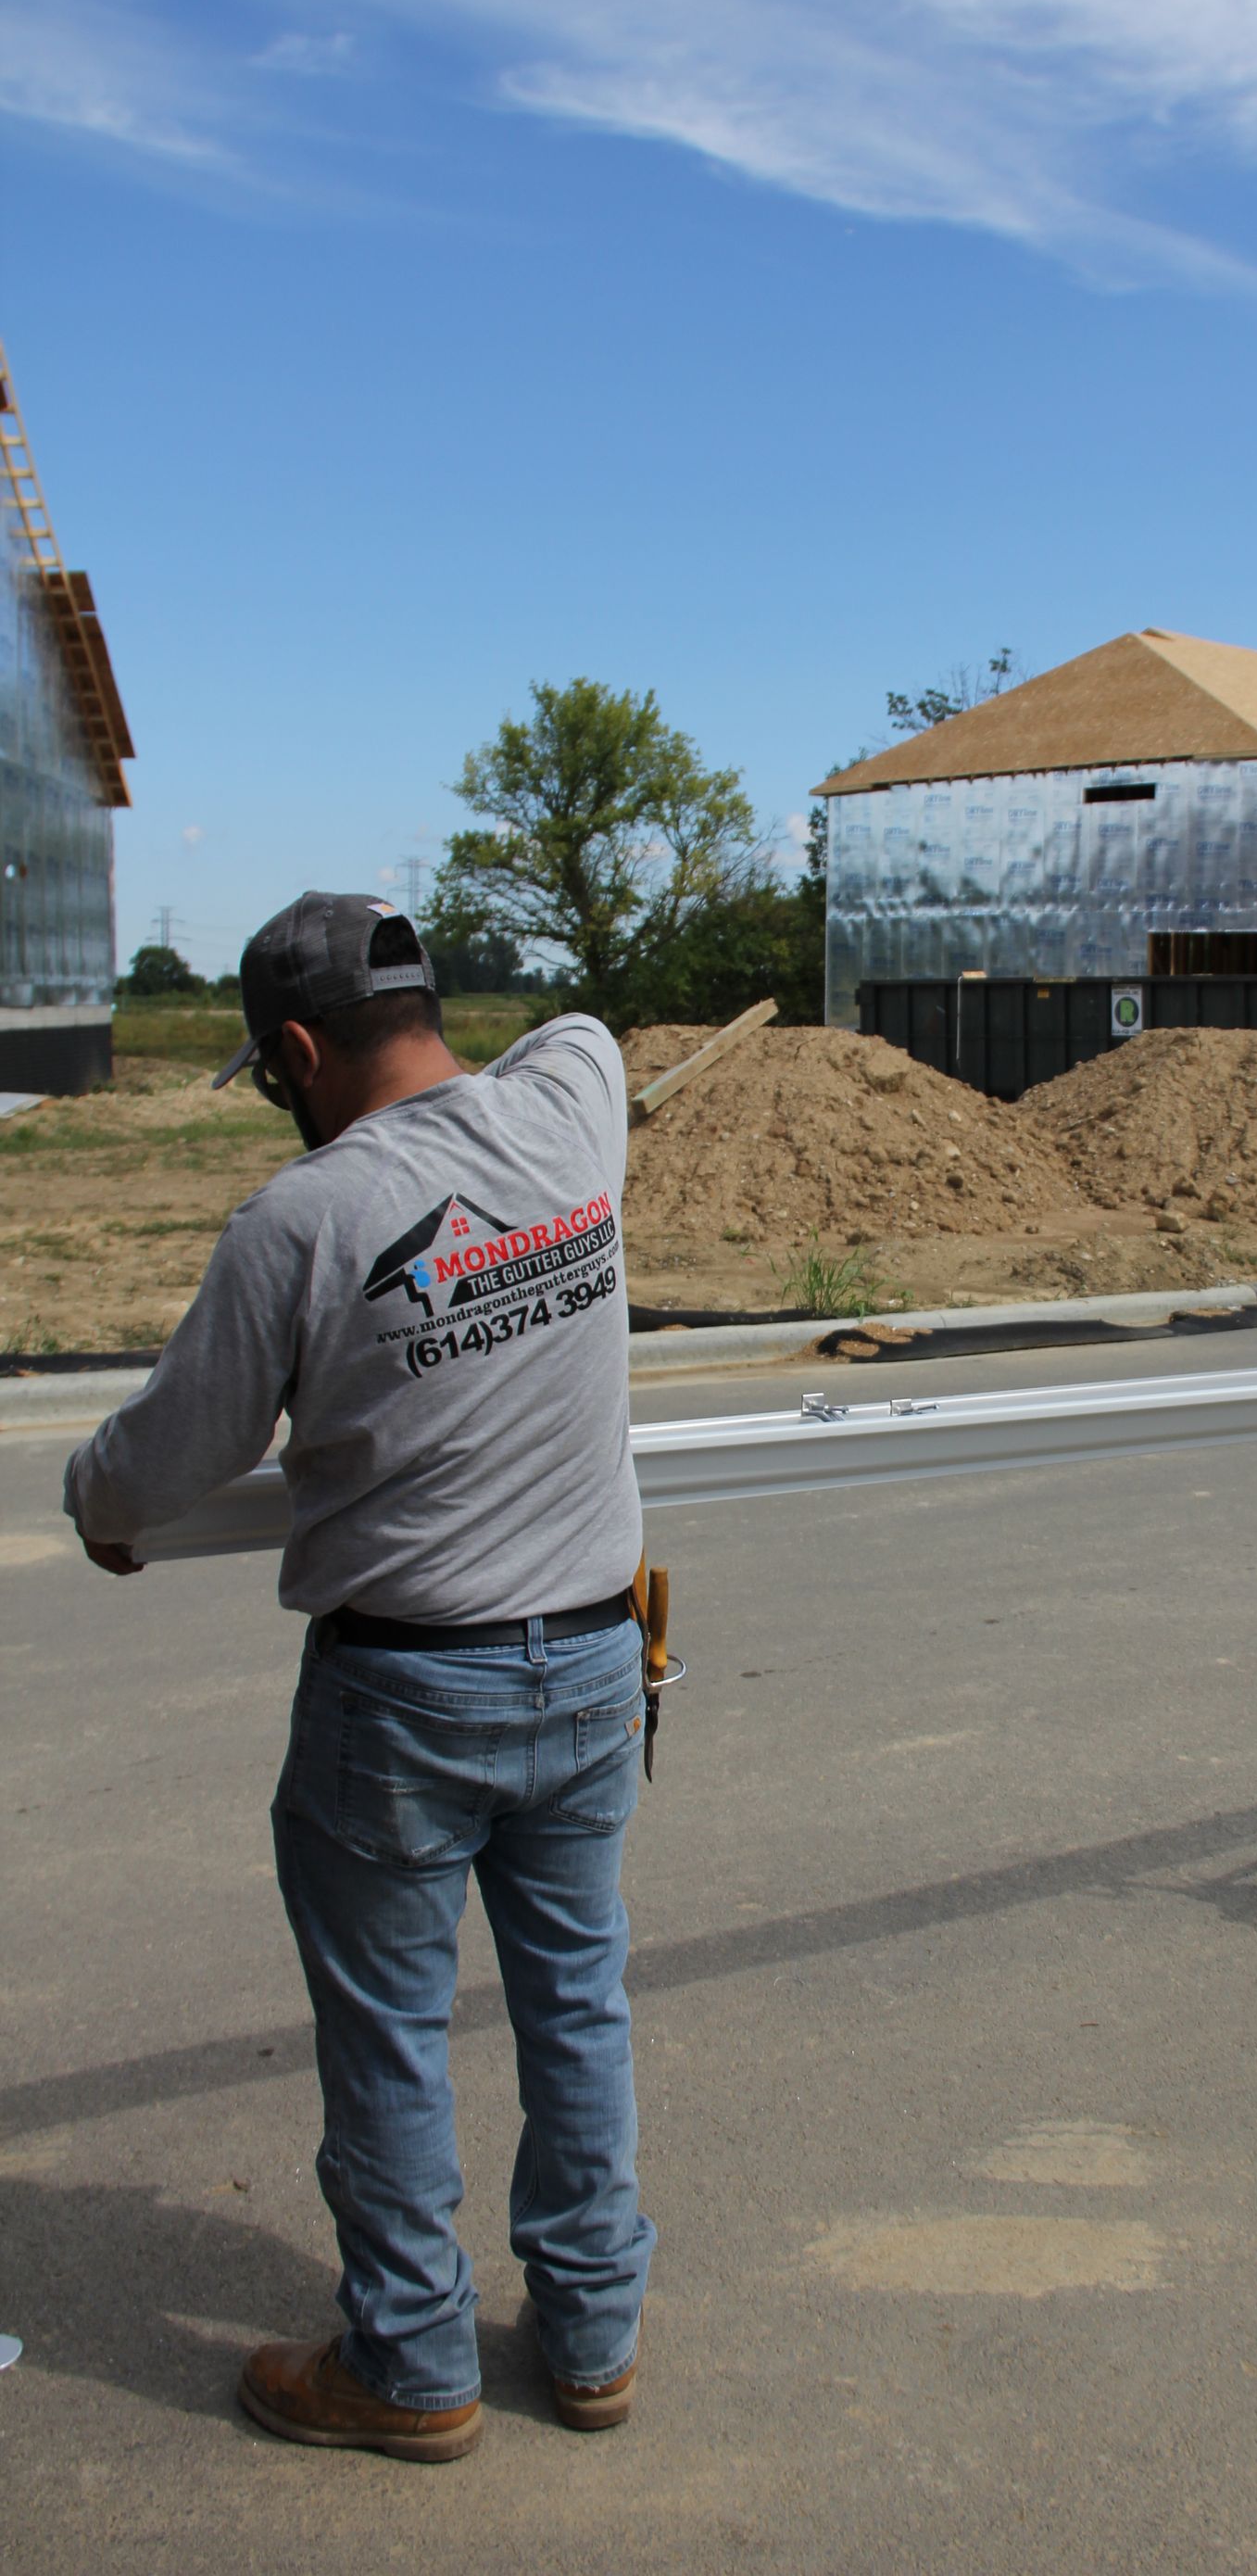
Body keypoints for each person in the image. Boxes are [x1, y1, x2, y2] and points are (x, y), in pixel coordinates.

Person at [65, 892, 655, 2464]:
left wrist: (95, 1508)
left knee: (393, 2033)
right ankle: (593, 2340)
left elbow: (171, 1454)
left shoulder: (302, 1221)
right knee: (577, 2007)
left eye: (276, 1070)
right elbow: (584, 1027)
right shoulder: (571, 1112)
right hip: (594, 1664)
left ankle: (412, 2366)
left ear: (301, 1052)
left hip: (407, 1697)